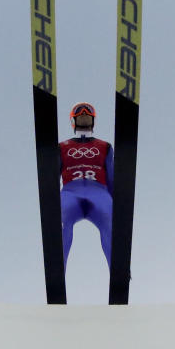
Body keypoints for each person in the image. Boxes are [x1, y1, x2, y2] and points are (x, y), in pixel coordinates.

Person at [59, 102, 114, 269]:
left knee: (110, 226)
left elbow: (111, 177)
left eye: (87, 116)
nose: (84, 118)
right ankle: (58, 268)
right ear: (73, 121)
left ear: (93, 121)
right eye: (80, 116)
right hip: (70, 193)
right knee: (61, 224)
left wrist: (117, 201)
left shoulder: (105, 147)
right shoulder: (61, 147)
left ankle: (118, 269)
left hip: (99, 193)